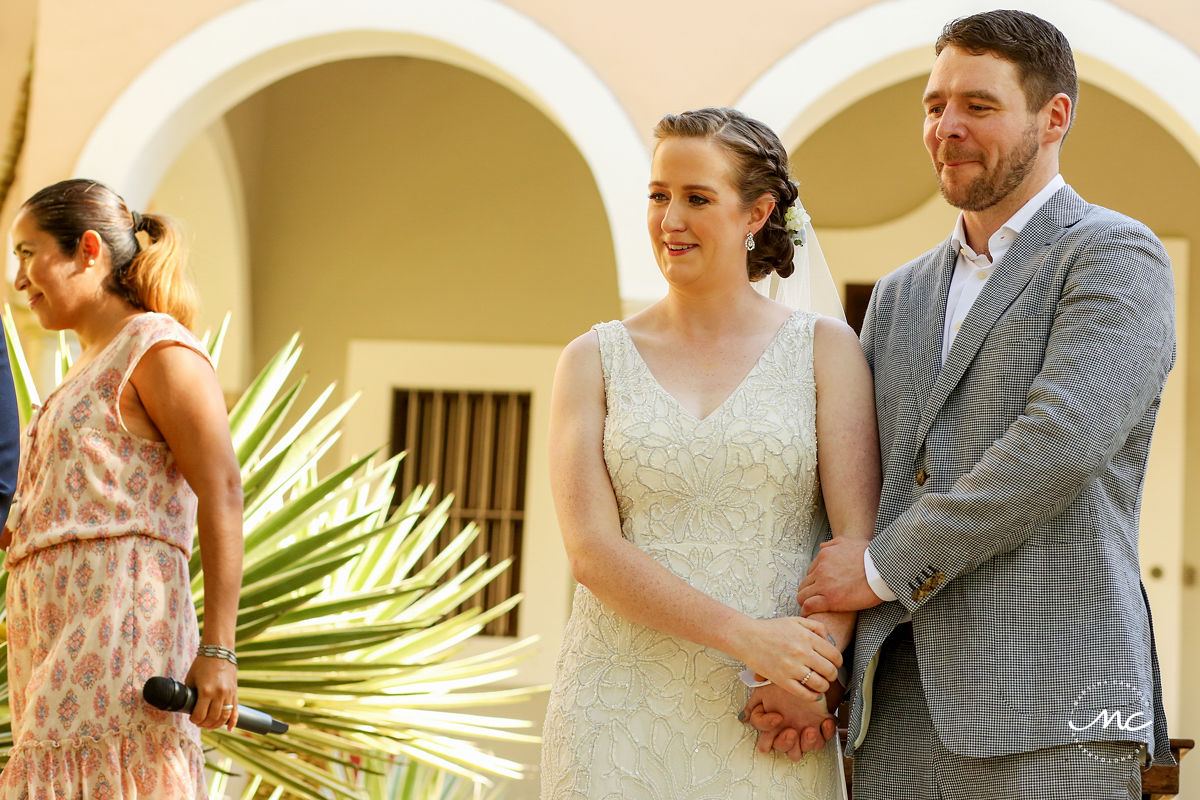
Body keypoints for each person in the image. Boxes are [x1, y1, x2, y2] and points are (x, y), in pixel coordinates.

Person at [753, 10, 1175, 799]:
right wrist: (817, 664)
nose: (947, 127)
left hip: (1055, 708)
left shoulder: (1115, 255)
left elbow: (1062, 440)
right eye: (934, 104)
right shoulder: (899, 295)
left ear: (1055, 117)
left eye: (978, 106)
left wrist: (881, 568)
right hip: (897, 714)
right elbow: (862, 487)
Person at [539, 107, 880, 799]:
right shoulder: (590, 360)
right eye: (659, 195)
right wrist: (752, 640)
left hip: (770, 714)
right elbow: (591, 553)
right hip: (615, 707)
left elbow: (856, 540)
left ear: (756, 213)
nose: (670, 219)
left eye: (697, 198)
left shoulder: (824, 350)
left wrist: (810, 674)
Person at [0, 179, 244, 798]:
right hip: (50, 639)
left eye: (28, 253)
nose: (18, 276)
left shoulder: (156, 347)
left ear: (87, 250)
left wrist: (219, 651)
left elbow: (222, 493)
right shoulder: (75, 375)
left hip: (119, 635)